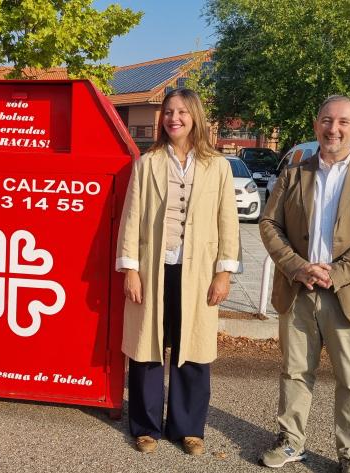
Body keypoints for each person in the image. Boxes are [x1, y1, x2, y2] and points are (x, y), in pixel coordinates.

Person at [259, 95, 350, 472]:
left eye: (342, 122)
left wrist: (336, 272)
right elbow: (269, 224)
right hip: (298, 289)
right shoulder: (294, 173)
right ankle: (291, 441)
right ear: (316, 124)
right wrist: (296, 267)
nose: (332, 129)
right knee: (294, 372)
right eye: (326, 120)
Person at [115, 88, 240, 455]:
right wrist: (131, 270)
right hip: (154, 268)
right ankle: (145, 425)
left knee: (194, 349)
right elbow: (131, 218)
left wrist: (224, 272)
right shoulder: (148, 162)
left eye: (182, 112)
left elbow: (227, 222)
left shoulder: (217, 165)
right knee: (147, 348)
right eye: (168, 112)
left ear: (196, 117)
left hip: (199, 272)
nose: (174, 118)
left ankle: (188, 428)